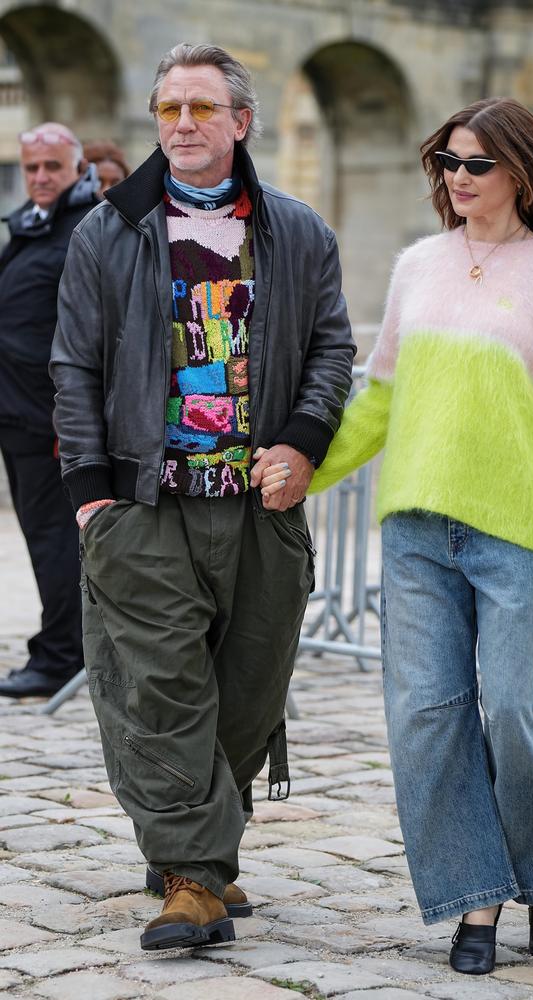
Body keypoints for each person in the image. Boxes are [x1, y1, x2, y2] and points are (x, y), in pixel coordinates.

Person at [263, 98, 533, 975]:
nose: (457, 179)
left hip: (520, 540)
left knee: (524, 712)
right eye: (448, 164)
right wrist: (308, 465)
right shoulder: (420, 267)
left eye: (475, 165)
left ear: (520, 173)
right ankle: (477, 900)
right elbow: (381, 395)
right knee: (426, 718)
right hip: (418, 529)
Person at [50, 43, 354, 952]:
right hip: (145, 500)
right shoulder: (107, 232)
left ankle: (203, 854)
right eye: (169, 110)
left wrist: (302, 444)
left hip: (259, 505)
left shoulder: (298, 232)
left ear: (239, 123)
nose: (182, 126)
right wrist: (91, 496)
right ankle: (190, 879)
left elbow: (332, 353)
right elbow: (73, 366)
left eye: (200, 110)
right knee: (161, 689)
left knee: (247, 694)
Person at [0, 123, 98, 698]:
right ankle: (59, 646)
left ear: (76, 168)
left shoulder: (81, 230)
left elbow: (87, 334)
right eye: (32, 167)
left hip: (51, 421)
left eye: (51, 168)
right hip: (19, 412)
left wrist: (76, 419)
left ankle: (61, 655)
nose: (40, 178)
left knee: (57, 540)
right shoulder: (34, 226)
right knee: (45, 539)